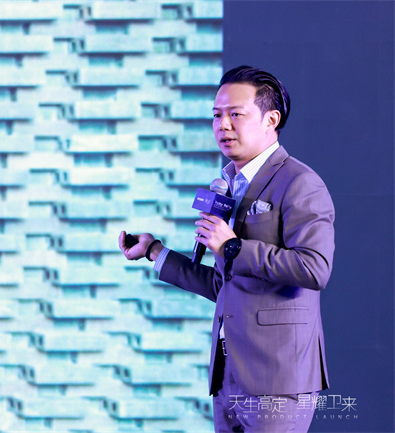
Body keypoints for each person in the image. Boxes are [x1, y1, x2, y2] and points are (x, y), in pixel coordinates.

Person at [119, 65, 335, 433]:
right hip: (229, 376)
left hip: (278, 378)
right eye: (217, 115)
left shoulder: (300, 182)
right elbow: (226, 285)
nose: (223, 125)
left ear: (271, 120)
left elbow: (314, 269)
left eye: (236, 114)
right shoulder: (229, 185)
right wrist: (155, 251)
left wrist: (233, 246)